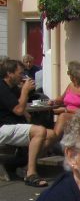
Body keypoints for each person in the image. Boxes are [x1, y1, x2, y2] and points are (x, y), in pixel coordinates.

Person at [0, 59, 57, 187]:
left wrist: (30, 92)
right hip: (3, 128)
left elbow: (23, 103)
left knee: (52, 135)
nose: (23, 76)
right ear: (10, 73)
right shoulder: (2, 87)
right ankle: (31, 174)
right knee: (40, 131)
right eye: (20, 73)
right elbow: (19, 110)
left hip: (13, 126)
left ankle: (26, 167)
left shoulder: (13, 88)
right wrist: (24, 91)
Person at [50, 60, 80, 137]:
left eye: (69, 74)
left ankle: (53, 138)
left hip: (79, 117)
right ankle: (50, 138)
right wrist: (53, 102)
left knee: (63, 116)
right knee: (46, 115)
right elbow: (61, 100)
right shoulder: (70, 85)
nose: (68, 75)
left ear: (74, 77)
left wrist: (66, 110)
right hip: (66, 114)